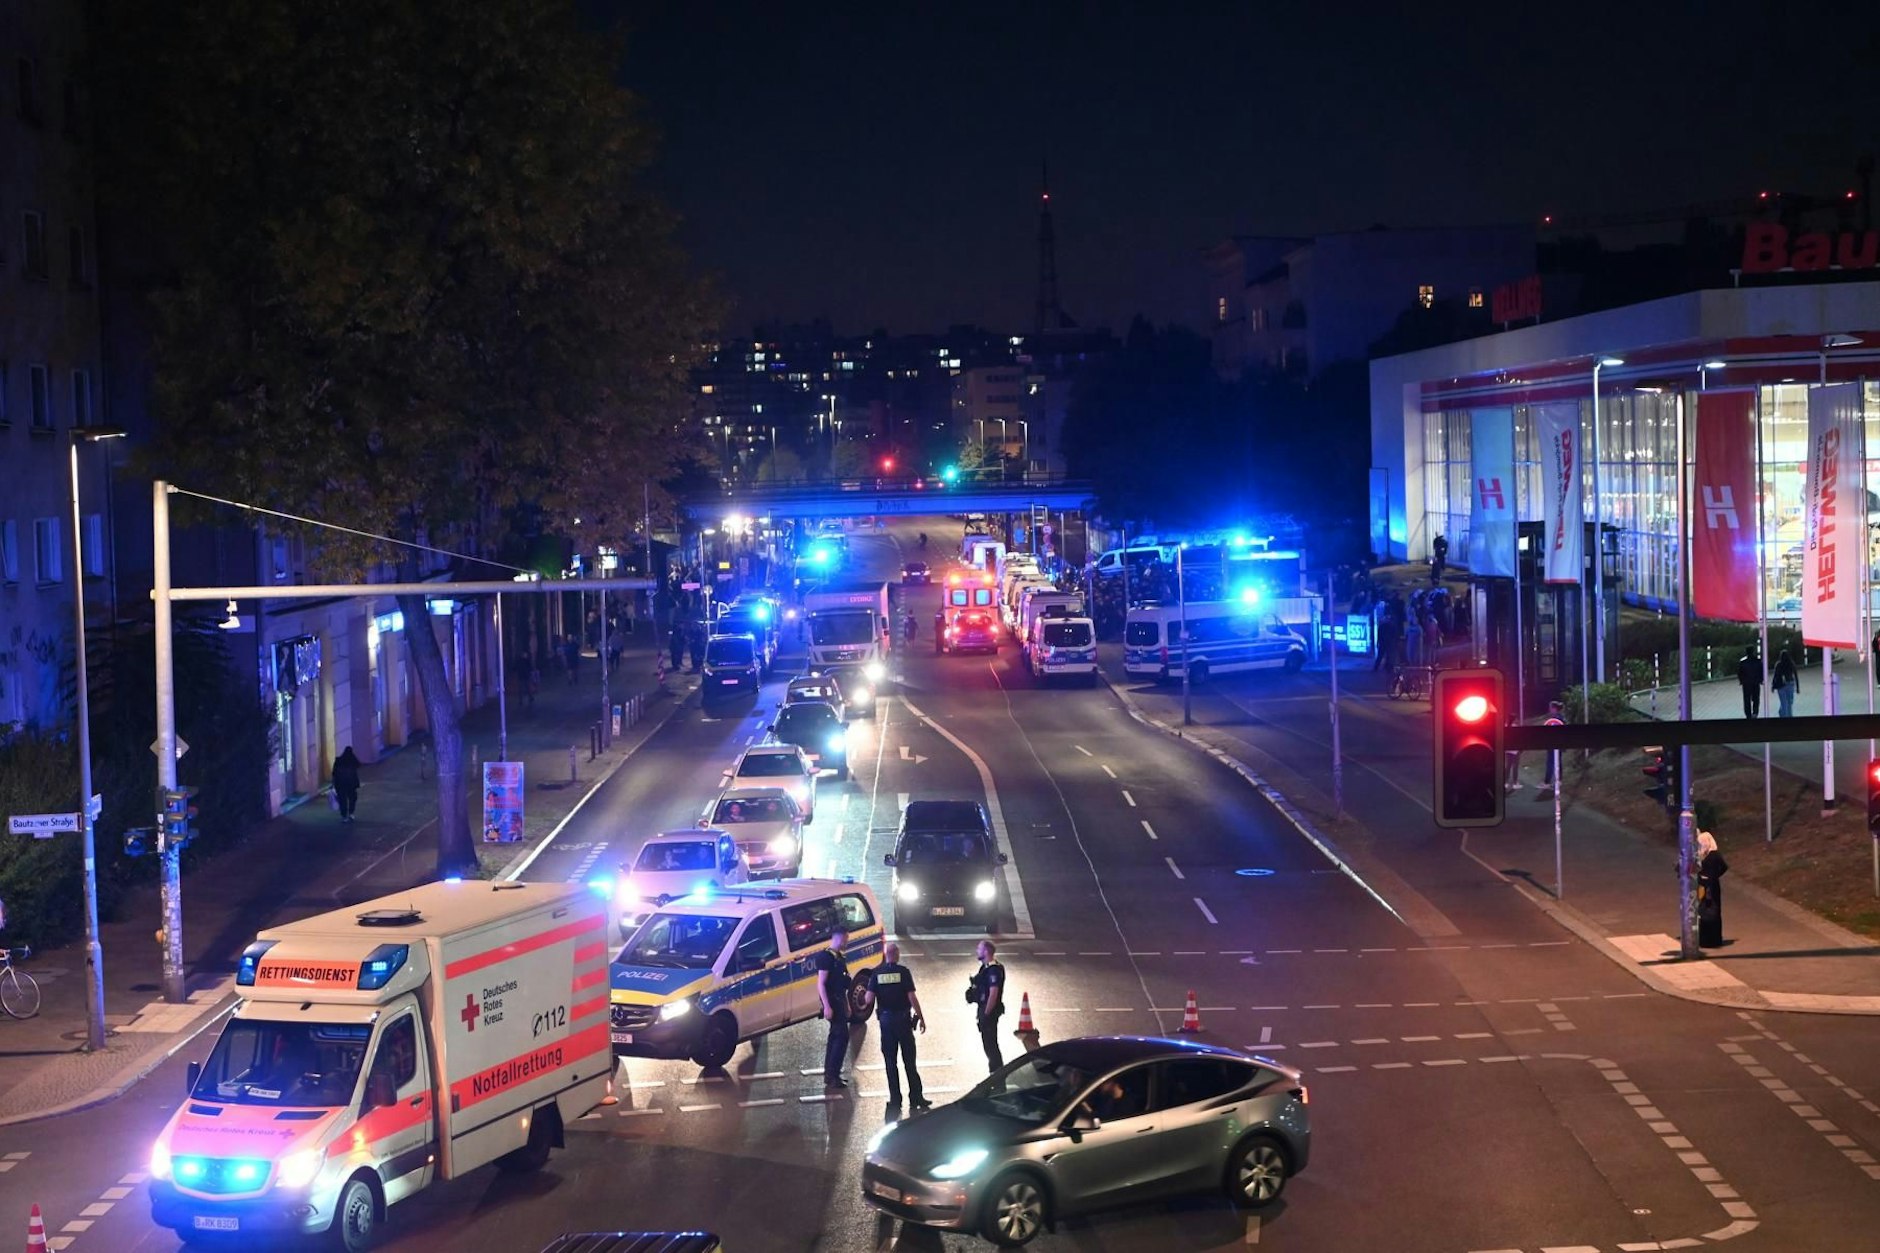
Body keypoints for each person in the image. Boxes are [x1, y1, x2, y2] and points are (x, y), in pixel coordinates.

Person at [861, 942, 930, 1114]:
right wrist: (921, 1017)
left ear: (886, 955)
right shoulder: (903, 972)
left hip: (886, 1023)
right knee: (910, 1062)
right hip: (903, 1021)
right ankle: (916, 1097)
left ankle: (895, 1100)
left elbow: (868, 999)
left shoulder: (877, 974)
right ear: (897, 955)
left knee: (891, 1063)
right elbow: (912, 997)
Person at [815, 927, 853, 1088]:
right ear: (840, 937)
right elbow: (821, 984)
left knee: (835, 1037)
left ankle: (830, 1074)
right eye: (846, 938)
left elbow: (843, 985)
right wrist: (827, 1006)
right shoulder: (826, 958)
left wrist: (847, 1005)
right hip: (832, 1002)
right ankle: (833, 1075)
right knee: (841, 1036)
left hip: (839, 1001)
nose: (847, 942)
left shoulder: (839, 958)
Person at [968, 939, 1006, 1074]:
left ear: (986, 951)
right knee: (988, 1045)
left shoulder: (993, 970)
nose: (977, 951)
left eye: (979, 949)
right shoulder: (985, 968)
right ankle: (995, 1073)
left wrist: (986, 1015)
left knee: (991, 1045)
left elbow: (993, 994)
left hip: (989, 1012)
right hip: (983, 1009)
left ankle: (997, 1074)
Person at [1696, 830, 1729, 948]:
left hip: (1711, 886)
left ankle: (1711, 939)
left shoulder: (1713, 854)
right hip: (1706, 885)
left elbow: (1724, 867)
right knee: (1705, 911)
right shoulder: (1704, 855)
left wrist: (1713, 876)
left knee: (1711, 911)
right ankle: (1707, 939)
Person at [331, 747, 362, 823]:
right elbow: (359, 765)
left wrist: (333, 783)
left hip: (340, 784)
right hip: (351, 784)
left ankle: (344, 816)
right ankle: (351, 813)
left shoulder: (338, 760)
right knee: (352, 799)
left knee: (342, 800)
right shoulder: (352, 760)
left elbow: (334, 773)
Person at [1772, 647, 1799, 718]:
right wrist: (1797, 687)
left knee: (1783, 702)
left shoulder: (1778, 664)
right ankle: (1789, 715)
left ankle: (1783, 714)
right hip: (1790, 684)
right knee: (1789, 702)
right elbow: (1795, 675)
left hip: (1781, 685)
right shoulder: (1791, 664)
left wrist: (1773, 685)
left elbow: (1775, 675)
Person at [1736, 647, 1763, 718]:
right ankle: (1755, 712)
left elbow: (1739, 673)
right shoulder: (1758, 661)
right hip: (1755, 682)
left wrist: (1741, 681)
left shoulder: (1742, 662)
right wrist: (1761, 680)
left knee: (1747, 699)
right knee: (1756, 698)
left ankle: (1748, 714)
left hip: (1746, 683)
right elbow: (1761, 671)